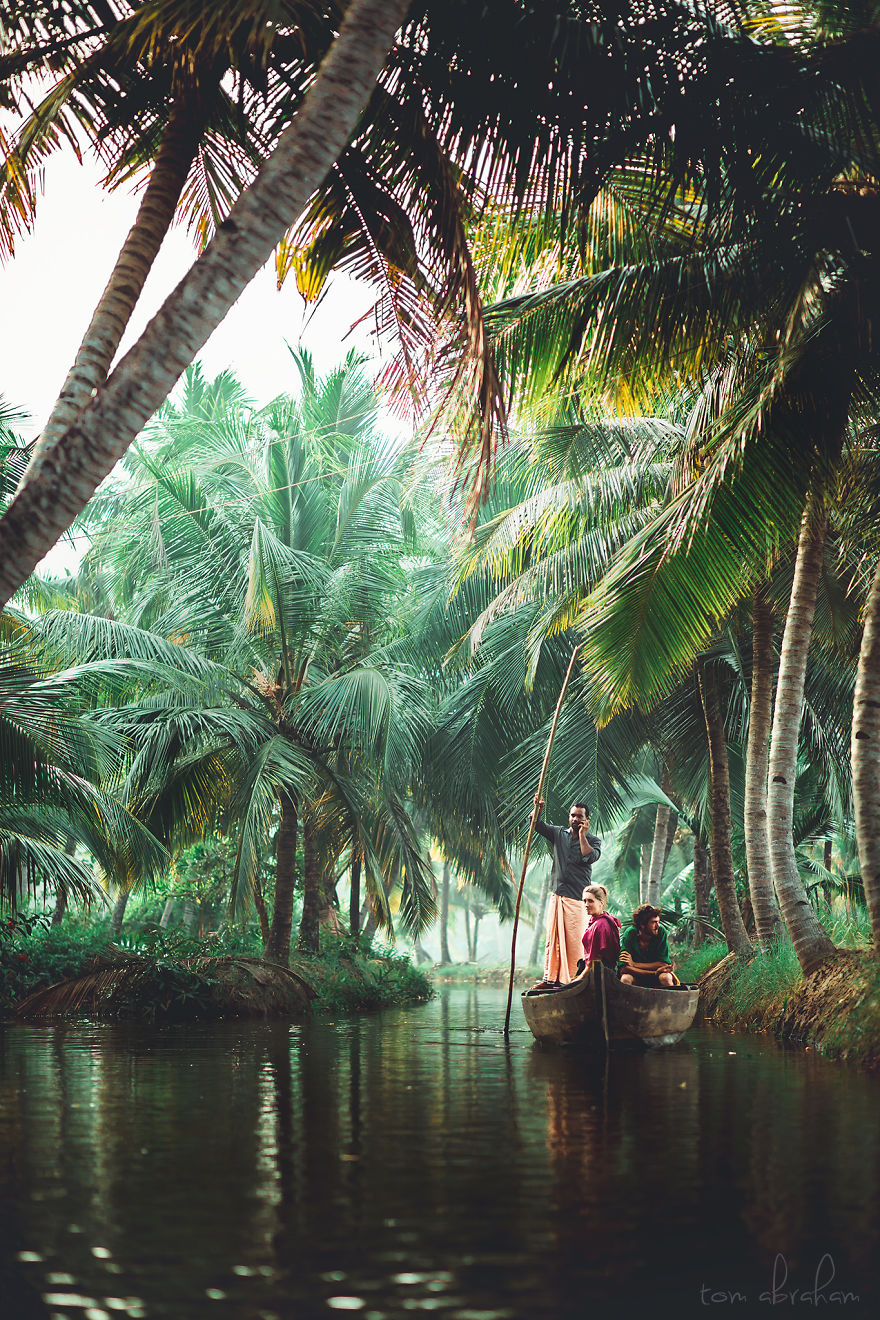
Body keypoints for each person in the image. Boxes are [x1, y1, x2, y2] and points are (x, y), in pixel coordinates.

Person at [531, 795, 602, 988]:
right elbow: (536, 824)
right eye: (573, 816)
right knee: (553, 940)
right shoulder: (558, 833)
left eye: (580, 816)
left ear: (587, 820)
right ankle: (550, 979)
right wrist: (537, 807)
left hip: (577, 898)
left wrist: (581, 836)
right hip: (558, 894)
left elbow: (589, 856)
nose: (575, 819)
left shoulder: (593, 841)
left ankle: (575, 980)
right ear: (569, 817)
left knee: (576, 941)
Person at [618, 904, 678, 987]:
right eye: (654, 922)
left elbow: (663, 964)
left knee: (666, 977)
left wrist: (635, 964)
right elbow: (624, 968)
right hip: (637, 976)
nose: (657, 926)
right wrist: (654, 972)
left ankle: (671, 1000)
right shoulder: (630, 934)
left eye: (658, 922)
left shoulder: (661, 931)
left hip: (657, 975)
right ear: (642, 925)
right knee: (625, 979)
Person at [576, 884, 621, 971]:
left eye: (590, 901)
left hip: (599, 973)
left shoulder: (601, 925)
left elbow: (595, 960)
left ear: (601, 903)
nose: (586, 904)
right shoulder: (597, 920)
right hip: (592, 968)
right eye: (584, 901)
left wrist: (578, 979)